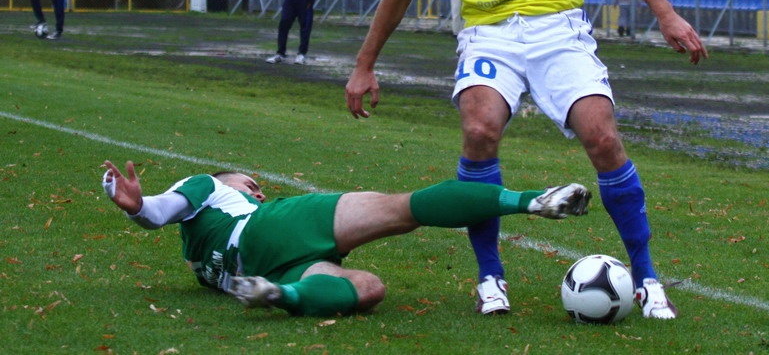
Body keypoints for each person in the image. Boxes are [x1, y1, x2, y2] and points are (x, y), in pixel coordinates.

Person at [345, 0, 707, 320]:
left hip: (557, 29)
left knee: (603, 137)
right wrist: (364, 64)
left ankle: (647, 276)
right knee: (479, 130)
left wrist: (666, 15)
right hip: (488, 35)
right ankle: (490, 277)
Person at [100, 159, 591, 317]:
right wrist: (140, 206)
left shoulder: (202, 256)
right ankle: (531, 199)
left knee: (378, 264)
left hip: (270, 258)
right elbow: (162, 210)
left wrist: (139, 211)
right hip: (274, 231)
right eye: (249, 183)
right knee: (398, 221)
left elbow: (155, 217)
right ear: (225, 180)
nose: (257, 188)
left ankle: (283, 297)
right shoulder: (206, 186)